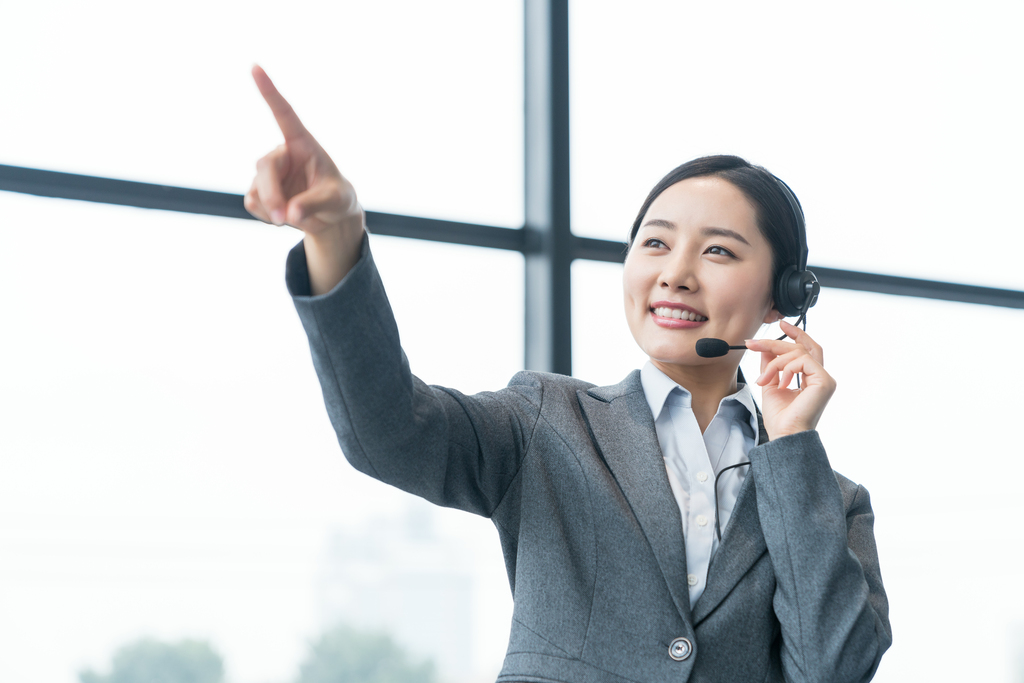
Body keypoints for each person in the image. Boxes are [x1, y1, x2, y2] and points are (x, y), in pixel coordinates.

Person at [244, 65, 892, 683]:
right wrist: (336, 236)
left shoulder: (829, 499)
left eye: (718, 249)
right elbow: (385, 431)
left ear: (784, 293)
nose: (676, 272)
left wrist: (792, 448)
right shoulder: (545, 421)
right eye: (656, 242)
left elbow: (832, 669)